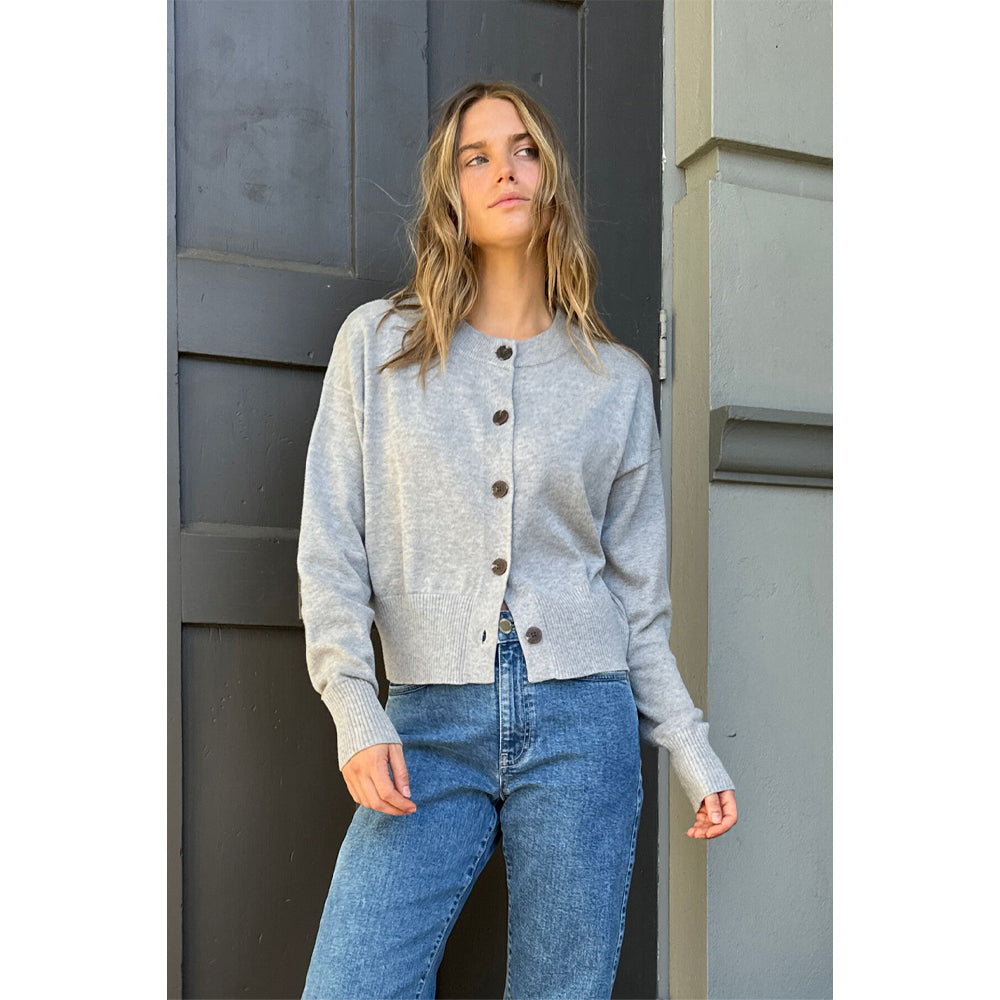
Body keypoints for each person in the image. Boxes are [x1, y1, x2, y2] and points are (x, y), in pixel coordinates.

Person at [298, 80, 737, 1000]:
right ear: (450, 193)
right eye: (478, 156)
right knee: (352, 983)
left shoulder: (616, 383)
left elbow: (638, 606)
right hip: (425, 723)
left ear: (551, 180)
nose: (505, 169)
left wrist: (691, 749)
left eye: (524, 149)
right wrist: (354, 708)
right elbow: (332, 550)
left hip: (585, 724)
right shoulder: (377, 347)